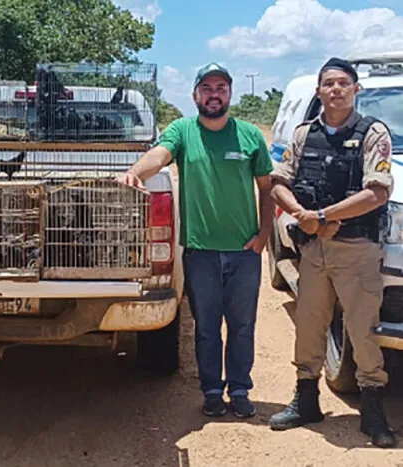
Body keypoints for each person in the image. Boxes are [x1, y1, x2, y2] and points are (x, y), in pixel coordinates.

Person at [117, 63, 274, 418]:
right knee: (206, 328)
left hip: (244, 252)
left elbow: (267, 189)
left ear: (230, 94)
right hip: (201, 252)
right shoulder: (183, 131)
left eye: (221, 87)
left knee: (242, 326)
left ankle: (240, 389)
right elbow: (159, 156)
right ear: (195, 95)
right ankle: (213, 391)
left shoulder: (249, 136)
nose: (214, 94)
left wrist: (264, 235)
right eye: (207, 88)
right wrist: (134, 172)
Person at [269, 57, 396, 448]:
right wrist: (302, 217)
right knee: (309, 326)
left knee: (362, 330)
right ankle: (306, 399)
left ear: (355, 89)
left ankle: (373, 410)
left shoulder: (374, 133)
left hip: (356, 249)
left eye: (344, 83)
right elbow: (278, 183)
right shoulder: (305, 135)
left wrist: (323, 215)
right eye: (329, 84)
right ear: (319, 91)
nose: (336, 89)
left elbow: (378, 191)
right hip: (314, 250)